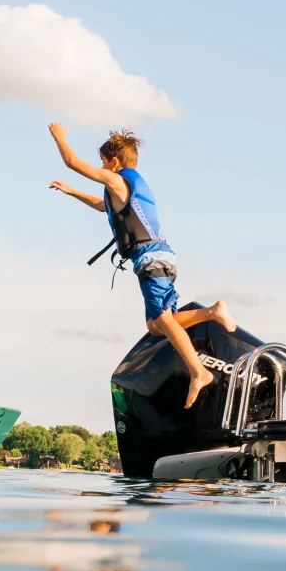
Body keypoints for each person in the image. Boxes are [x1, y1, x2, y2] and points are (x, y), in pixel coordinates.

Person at [49, 123, 231, 406]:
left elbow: (72, 162)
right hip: (160, 258)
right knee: (156, 326)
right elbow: (101, 205)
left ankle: (199, 372)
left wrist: (59, 137)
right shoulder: (126, 188)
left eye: (103, 162)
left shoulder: (117, 179)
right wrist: (72, 192)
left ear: (114, 162)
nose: (102, 167)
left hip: (150, 258)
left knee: (163, 320)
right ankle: (211, 313)